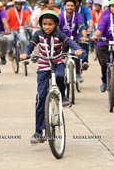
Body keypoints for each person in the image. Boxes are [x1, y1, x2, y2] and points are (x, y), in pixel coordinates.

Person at [19, 10, 83, 145]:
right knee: (41, 97)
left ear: (55, 24)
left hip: (57, 62)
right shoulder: (38, 34)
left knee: (60, 75)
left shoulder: (59, 34)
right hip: (43, 65)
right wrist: (25, 53)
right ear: (41, 24)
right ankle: (38, 131)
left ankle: (63, 95)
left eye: (50, 24)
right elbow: (30, 45)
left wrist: (77, 49)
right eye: (44, 24)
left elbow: (69, 41)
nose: (47, 27)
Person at [58, 0, 88, 83]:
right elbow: (57, 29)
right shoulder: (60, 16)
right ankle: (61, 72)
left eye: (72, 6)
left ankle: (78, 73)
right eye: (68, 5)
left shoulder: (78, 16)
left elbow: (82, 27)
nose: (70, 7)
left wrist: (84, 37)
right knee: (61, 56)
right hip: (63, 38)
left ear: (75, 7)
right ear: (64, 6)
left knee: (78, 53)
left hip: (75, 37)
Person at [71, 0, 94, 71]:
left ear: (80, 2)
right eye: (73, 2)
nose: (74, 4)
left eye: (76, 2)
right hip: (70, 32)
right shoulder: (67, 9)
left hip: (82, 32)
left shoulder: (84, 9)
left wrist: (90, 27)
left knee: (85, 43)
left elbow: (90, 19)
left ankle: (84, 61)